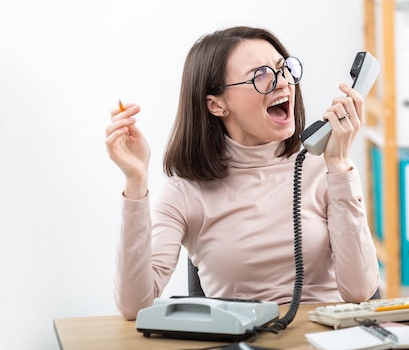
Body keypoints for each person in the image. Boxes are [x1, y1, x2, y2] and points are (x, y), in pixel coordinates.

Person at [105, 26, 379, 321]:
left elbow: (360, 292)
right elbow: (134, 306)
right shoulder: (184, 193)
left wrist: (338, 166)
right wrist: (135, 183)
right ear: (216, 104)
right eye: (260, 76)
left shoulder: (323, 167)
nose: (283, 84)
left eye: (283, 69)